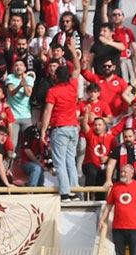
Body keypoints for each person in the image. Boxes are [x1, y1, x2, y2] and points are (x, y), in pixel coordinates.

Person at [40, 65, 82, 200]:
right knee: (71, 161)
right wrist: (73, 51)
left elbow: (47, 111)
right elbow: (77, 70)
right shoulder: (73, 87)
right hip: (73, 127)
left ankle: (64, 192)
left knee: (60, 162)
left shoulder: (53, 91)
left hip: (60, 128)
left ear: (55, 76)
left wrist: (43, 130)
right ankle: (74, 190)